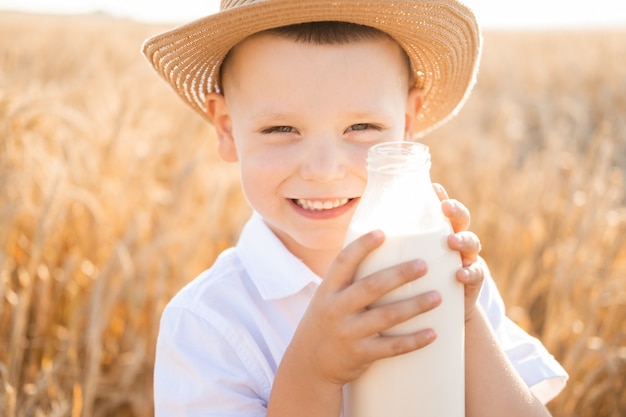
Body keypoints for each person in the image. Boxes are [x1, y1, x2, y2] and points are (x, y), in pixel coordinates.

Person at [142, 1, 568, 416]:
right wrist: (314, 372)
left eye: (362, 127)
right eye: (281, 129)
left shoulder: (444, 272)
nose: (325, 171)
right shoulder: (205, 324)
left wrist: (464, 319)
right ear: (227, 128)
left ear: (408, 120)